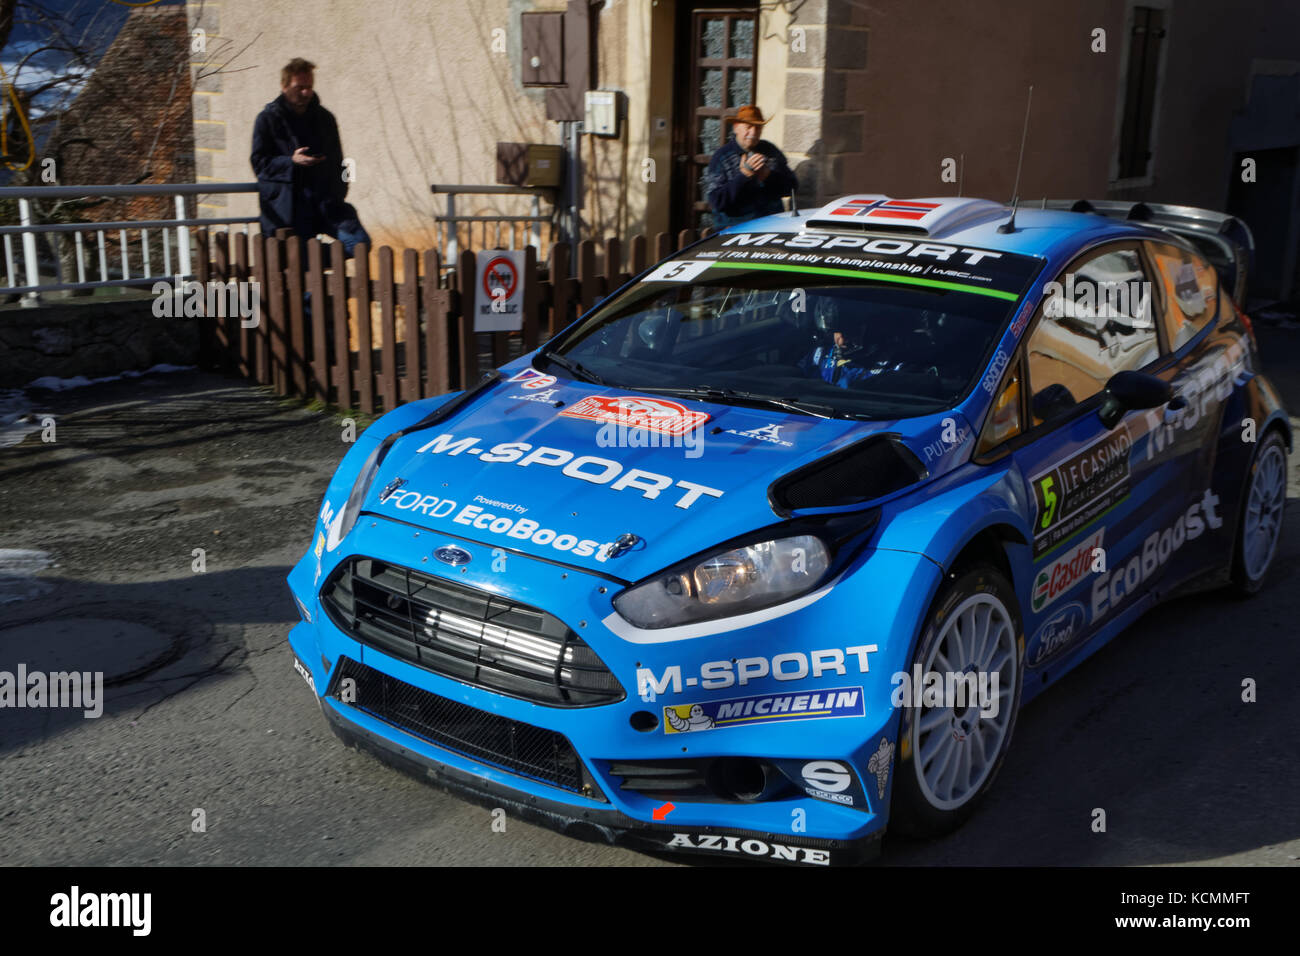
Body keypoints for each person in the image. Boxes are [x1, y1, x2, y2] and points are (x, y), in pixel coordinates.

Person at [250, 58, 370, 258]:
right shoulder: (268, 119)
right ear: (284, 86)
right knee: (303, 275)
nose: (306, 93)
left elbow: (340, 162)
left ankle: (308, 259)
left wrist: (339, 191)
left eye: (309, 87)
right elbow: (259, 163)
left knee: (360, 244)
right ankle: (305, 263)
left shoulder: (324, 118)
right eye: (299, 87)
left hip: (327, 205)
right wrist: (291, 162)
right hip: (289, 209)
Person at [703, 105, 798, 229]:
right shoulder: (722, 157)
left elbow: (792, 186)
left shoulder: (770, 151)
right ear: (736, 127)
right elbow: (717, 201)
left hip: (770, 226)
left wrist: (767, 176)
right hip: (735, 230)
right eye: (748, 127)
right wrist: (744, 176)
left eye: (758, 128)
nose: (753, 133)